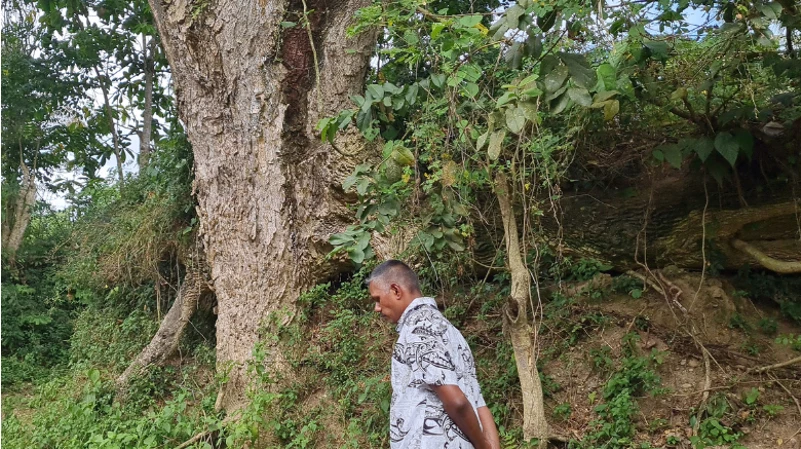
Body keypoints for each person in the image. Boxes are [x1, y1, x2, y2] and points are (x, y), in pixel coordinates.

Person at [367, 260, 501, 449]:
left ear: (396, 291)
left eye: (377, 299)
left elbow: (456, 401)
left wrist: (483, 447)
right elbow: (478, 402)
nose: (377, 308)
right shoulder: (451, 332)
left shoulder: (418, 328)